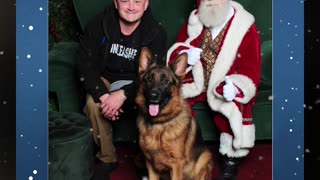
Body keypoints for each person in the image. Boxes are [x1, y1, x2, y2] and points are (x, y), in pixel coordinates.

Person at [167, 0, 261, 179]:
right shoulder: (194, 20)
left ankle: (230, 159)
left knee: (233, 105)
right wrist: (186, 56)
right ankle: (189, 150)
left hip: (223, 84)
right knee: (171, 99)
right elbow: (178, 51)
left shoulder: (245, 26)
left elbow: (251, 68)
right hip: (197, 81)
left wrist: (235, 87)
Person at [76, 0, 167, 179]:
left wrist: (124, 93)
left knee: (154, 103)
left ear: (146, 4)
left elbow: (154, 75)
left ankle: (146, 159)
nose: (131, 7)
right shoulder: (99, 23)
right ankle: (107, 158)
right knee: (92, 104)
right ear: (116, 3)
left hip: (139, 83)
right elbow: (84, 63)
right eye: (125, 1)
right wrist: (103, 96)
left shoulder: (156, 32)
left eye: (137, 1)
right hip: (105, 79)